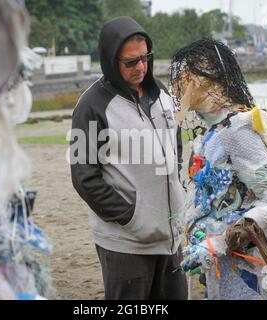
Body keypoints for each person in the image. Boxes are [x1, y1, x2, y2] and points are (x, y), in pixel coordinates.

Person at [70, 16, 188, 300]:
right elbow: (84, 177)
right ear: (111, 60)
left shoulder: (160, 92)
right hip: (126, 244)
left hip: (172, 238)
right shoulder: (90, 106)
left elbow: (176, 145)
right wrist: (131, 217)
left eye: (146, 58)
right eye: (131, 62)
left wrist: (180, 189)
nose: (141, 67)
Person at [169, 39, 267, 300]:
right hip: (222, 266)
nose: (178, 85)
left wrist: (217, 244)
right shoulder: (214, 132)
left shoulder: (237, 129)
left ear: (211, 78)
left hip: (249, 264)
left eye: (187, 76)